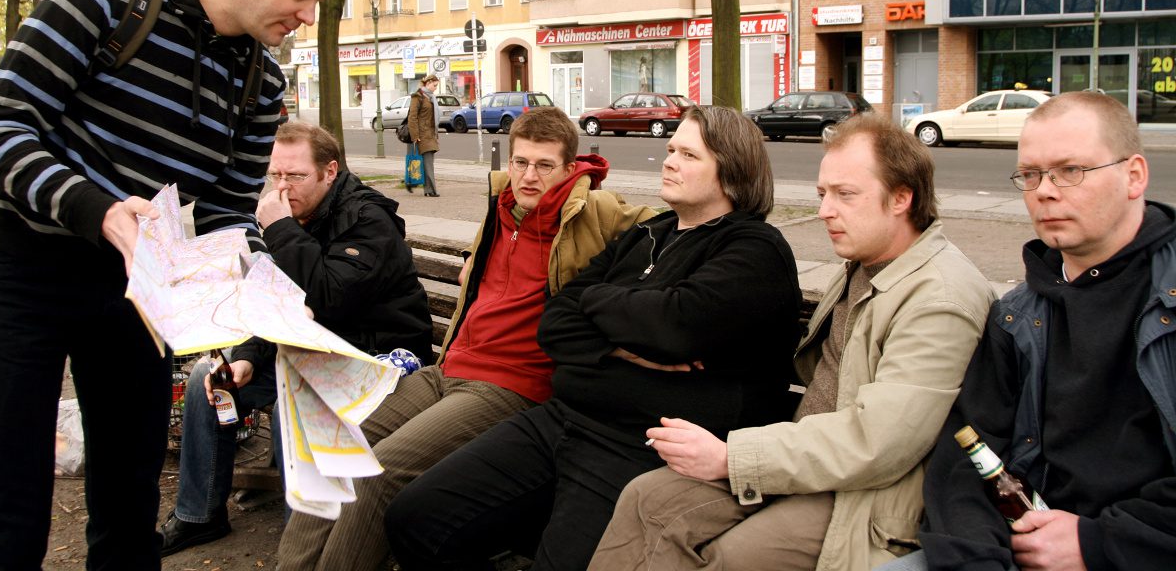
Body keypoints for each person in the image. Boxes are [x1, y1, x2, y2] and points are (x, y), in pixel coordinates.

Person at [0, 0, 361, 570]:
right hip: (17, 268)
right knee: (6, 502)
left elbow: (228, 213)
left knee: (130, 504)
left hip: (137, 292)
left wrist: (267, 289)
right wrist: (94, 208)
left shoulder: (260, 83)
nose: (306, 17)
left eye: (317, 4)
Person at [385, 105, 805, 571]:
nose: (668, 161)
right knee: (414, 519)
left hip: (637, 446)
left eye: (688, 154)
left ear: (732, 171)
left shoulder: (753, 249)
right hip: (561, 421)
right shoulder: (650, 233)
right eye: (670, 149)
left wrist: (598, 301)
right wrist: (621, 340)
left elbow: (674, 327)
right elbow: (556, 323)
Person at [590, 113, 997, 571]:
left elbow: (877, 444)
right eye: (823, 194)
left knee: (729, 555)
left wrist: (730, 456)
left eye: (845, 195)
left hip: (866, 493)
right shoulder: (869, 261)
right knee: (648, 496)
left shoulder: (939, 298)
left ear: (902, 197)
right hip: (804, 454)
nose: (824, 210)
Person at [277, 106, 654, 570]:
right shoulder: (501, 209)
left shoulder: (592, 210)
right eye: (520, 162)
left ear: (570, 169)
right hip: (448, 368)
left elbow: (668, 231)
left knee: (378, 471)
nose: (528, 176)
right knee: (328, 442)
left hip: (510, 386)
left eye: (543, 166)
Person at [891, 91, 1176, 571]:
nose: (1044, 191)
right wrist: (976, 560)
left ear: (1134, 176)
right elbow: (967, 455)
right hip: (1021, 546)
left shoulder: (1165, 300)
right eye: (1030, 174)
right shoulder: (1017, 316)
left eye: (1071, 171)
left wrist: (1097, 542)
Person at [159, 122, 432, 555]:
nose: (282, 189)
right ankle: (199, 516)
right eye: (275, 176)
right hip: (309, 347)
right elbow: (276, 299)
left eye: (295, 177)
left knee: (294, 396)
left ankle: (300, 543)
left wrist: (281, 229)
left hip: (375, 354)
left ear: (330, 171)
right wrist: (248, 356)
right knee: (207, 383)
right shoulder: (295, 218)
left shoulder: (367, 218)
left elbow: (326, 297)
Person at [408, 75, 440, 196]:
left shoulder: (430, 97)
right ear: (428, 83)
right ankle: (432, 190)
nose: (435, 88)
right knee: (428, 163)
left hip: (430, 134)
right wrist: (415, 135)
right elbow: (412, 117)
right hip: (422, 134)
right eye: (434, 85)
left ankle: (428, 190)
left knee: (428, 163)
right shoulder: (418, 96)